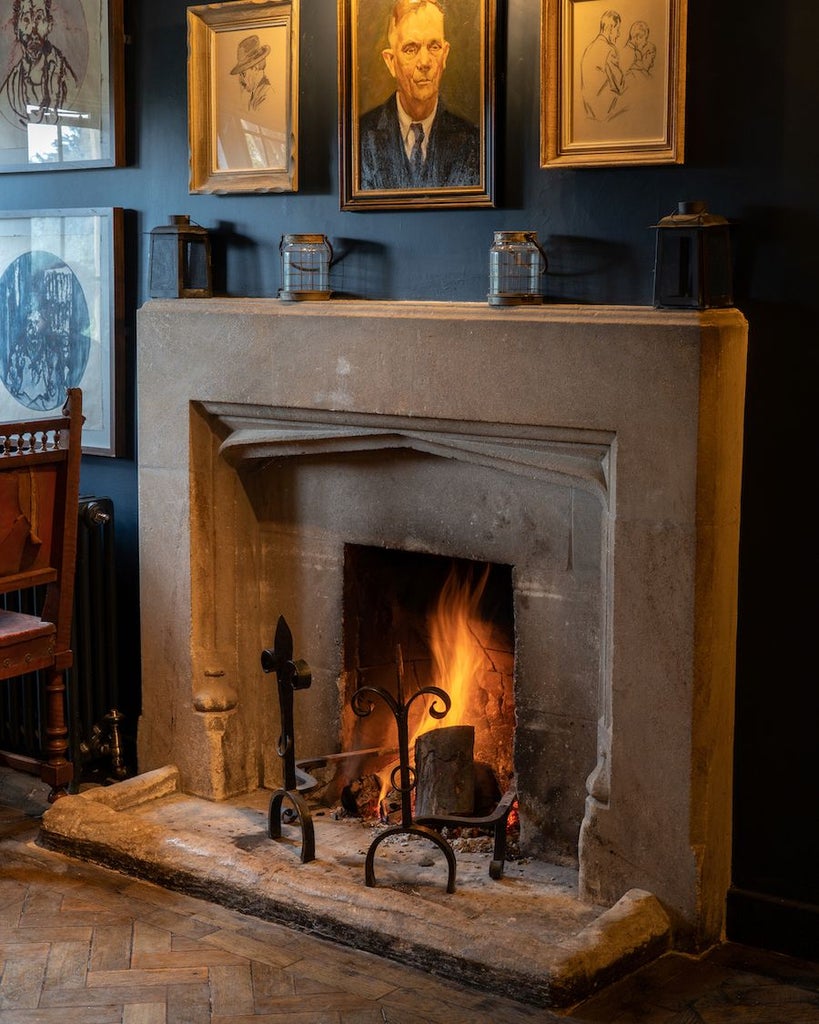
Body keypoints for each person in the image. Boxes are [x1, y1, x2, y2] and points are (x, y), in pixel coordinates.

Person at [358, 0, 480, 191]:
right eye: (411, 49)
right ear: (390, 62)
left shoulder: (474, 141)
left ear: (445, 55)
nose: (425, 62)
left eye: (434, 47)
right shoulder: (361, 137)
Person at [0, 0, 77, 129]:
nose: (33, 28)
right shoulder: (10, 88)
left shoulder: (64, 76)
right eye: (25, 19)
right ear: (15, 27)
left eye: (39, 17)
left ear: (49, 25)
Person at [580, 10, 625, 122]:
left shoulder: (589, 48)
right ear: (610, 29)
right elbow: (620, 85)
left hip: (589, 110)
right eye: (617, 29)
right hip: (604, 111)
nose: (618, 34)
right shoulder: (609, 50)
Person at [230, 34, 271, 112]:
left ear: (255, 68)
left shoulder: (265, 98)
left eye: (243, 74)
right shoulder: (257, 95)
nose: (240, 80)